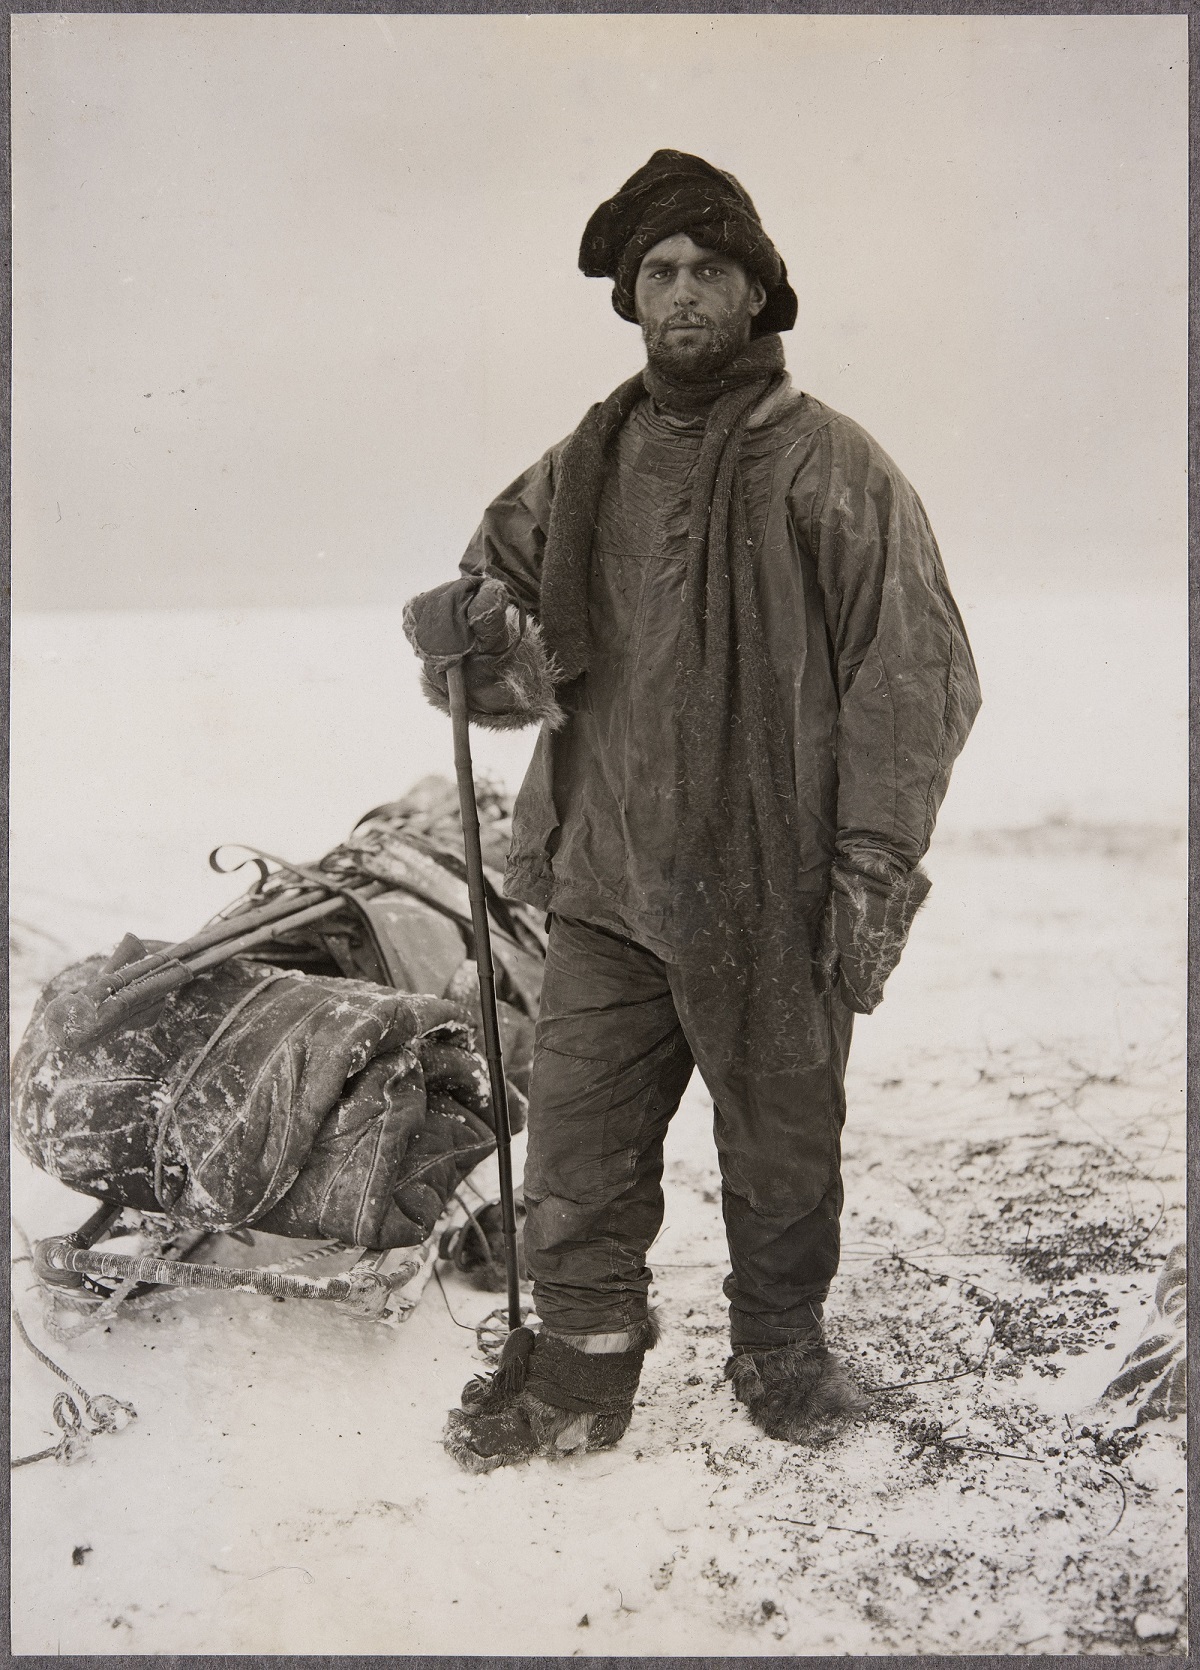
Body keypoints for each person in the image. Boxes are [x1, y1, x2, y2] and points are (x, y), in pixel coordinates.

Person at [404, 149, 981, 1473]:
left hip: (771, 882)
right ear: (629, 295)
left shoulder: (832, 465)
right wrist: (463, 639)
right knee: (582, 1144)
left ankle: (783, 1363)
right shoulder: (579, 467)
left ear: (759, 289)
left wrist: (871, 867)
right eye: (655, 272)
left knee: (783, 1149)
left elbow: (915, 677)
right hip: (607, 875)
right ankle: (579, 1378)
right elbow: (501, 668)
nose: (680, 293)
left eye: (706, 270)